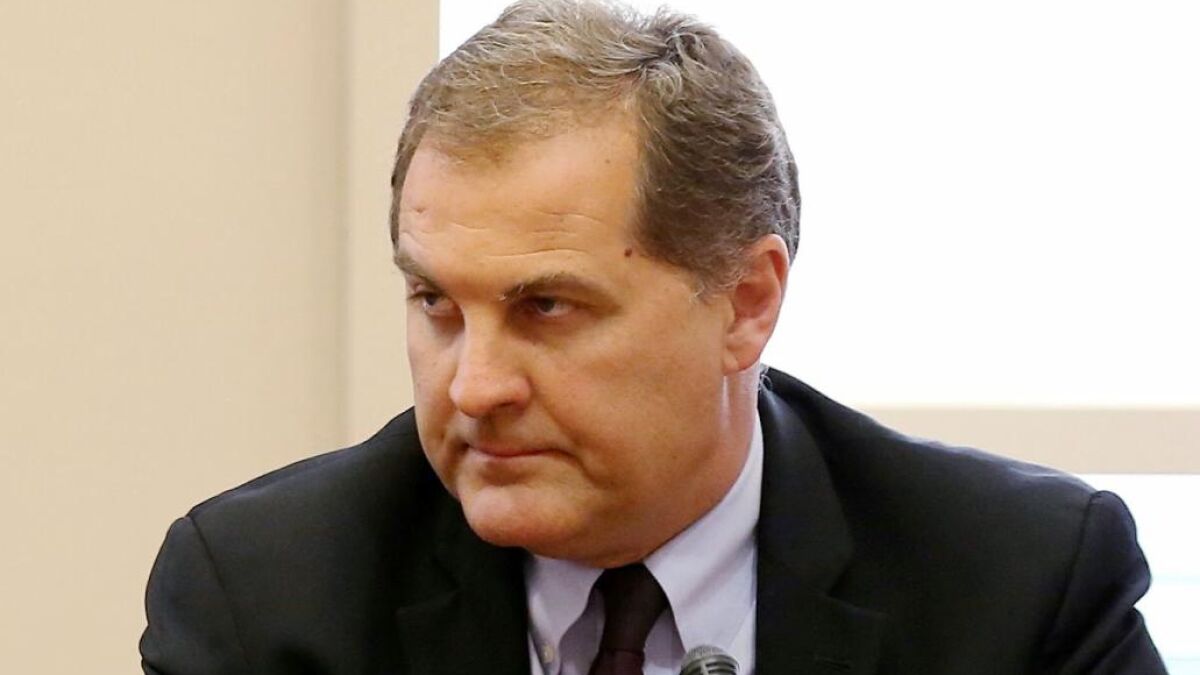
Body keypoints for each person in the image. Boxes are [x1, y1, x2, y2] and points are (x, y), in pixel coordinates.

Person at [140, 1, 1167, 673]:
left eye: (547, 307)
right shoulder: (269, 600)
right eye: (437, 304)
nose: (474, 387)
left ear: (746, 302)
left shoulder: (1016, 587)